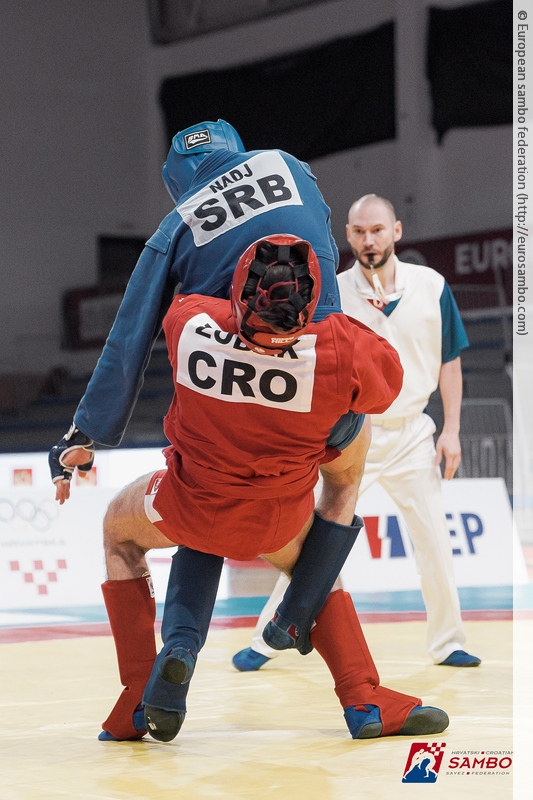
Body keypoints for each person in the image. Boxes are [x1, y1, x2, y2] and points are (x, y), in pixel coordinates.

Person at [51, 235, 449, 743]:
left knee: (118, 529)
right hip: (276, 517)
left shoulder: (189, 321)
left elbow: (171, 301)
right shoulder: (342, 346)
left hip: (190, 504)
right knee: (325, 542)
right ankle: (360, 693)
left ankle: (137, 693)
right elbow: (388, 382)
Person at [232, 194, 480, 672]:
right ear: (347, 235)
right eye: (360, 232)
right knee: (316, 541)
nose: (370, 240)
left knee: (434, 538)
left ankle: (449, 641)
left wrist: (452, 429)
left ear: (397, 231)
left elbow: (450, 361)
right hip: (352, 432)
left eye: (378, 230)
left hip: (413, 432)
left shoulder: (431, 285)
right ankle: (266, 640)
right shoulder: (333, 292)